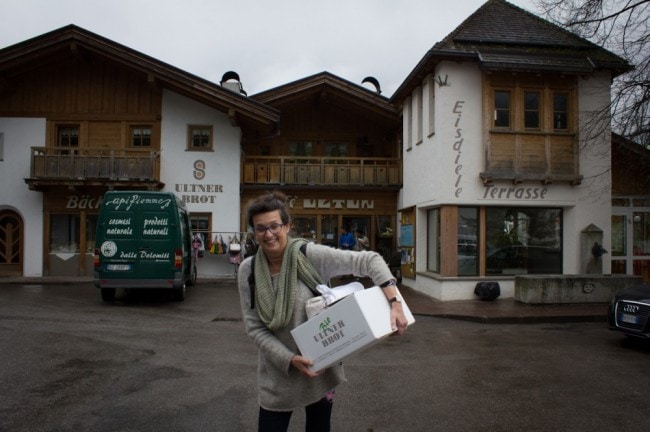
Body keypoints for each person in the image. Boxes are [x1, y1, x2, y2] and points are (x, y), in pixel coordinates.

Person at [237, 191, 409, 432]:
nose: (268, 234)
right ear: (253, 232)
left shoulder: (309, 256)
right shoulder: (248, 270)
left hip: (321, 370)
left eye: (274, 226)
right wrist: (290, 359)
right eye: (260, 228)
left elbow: (370, 261)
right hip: (277, 375)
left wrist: (395, 303)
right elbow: (254, 328)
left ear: (287, 226)